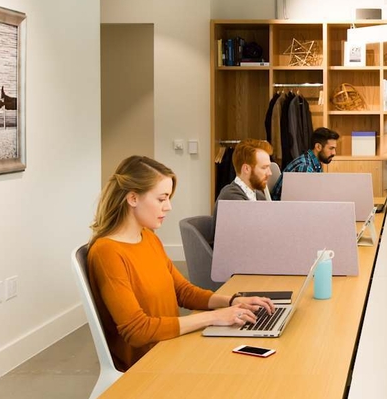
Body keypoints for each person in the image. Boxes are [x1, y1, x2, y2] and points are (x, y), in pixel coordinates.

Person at [87, 155, 275, 372]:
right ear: (133, 198)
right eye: (161, 199)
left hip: (171, 346)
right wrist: (214, 317)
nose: (168, 207)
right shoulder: (106, 252)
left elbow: (182, 291)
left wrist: (233, 301)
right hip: (148, 366)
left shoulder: (148, 238)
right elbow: (137, 330)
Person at [213, 139, 273, 225]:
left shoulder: (258, 195)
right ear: (246, 169)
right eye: (264, 168)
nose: (270, 173)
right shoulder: (231, 198)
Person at [271, 127, 339, 200]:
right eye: (331, 148)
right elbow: (307, 201)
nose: (334, 153)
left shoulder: (314, 163)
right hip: (282, 206)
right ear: (318, 147)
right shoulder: (305, 167)